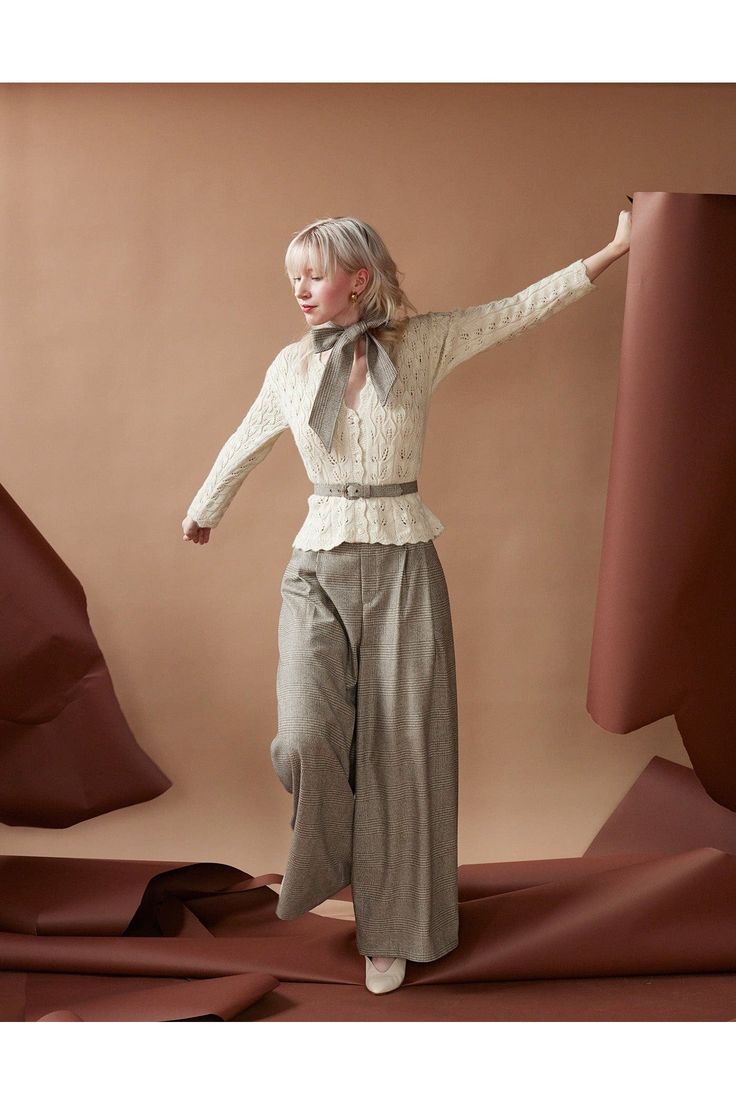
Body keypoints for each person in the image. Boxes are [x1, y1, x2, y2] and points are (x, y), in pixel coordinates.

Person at [181, 213, 631, 994]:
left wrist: (614, 252)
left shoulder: (418, 345)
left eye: (314, 273)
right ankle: (340, 858)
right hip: (316, 565)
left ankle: (390, 930)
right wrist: (204, 507)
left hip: (404, 564)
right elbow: (246, 438)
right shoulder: (290, 365)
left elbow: (516, 310)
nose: (299, 287)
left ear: (358, 279)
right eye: (295, 273)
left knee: (401, 754)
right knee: (304, 738)